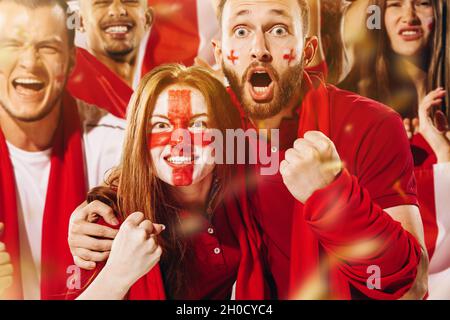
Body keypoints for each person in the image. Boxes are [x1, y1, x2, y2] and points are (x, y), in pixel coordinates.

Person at [69, 0, 427, 300]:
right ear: (221, 54)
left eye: (278, 29)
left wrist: (332, 196)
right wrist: (96, 213)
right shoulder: (212, 120)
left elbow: (413, 286)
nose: (258, 48)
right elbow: (151, 167)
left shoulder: (370, 124)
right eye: (241, 31)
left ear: (307, 50)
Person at [66, 64, 270, 300]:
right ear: (139, 138)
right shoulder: (108, 222)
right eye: (161, 125)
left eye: (198, 124)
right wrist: (117, 274)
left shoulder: (240, 189)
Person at [0, 0, 125, 300]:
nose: (30, 62)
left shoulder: (116, 146)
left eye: (48, 47)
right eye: (12, 44)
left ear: (71, 61)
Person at [339, 0, 450, 298]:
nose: (409, 16)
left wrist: (445, 155)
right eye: (395, 5)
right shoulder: (350, 111)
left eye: (423, 4)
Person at [67, 0, 220, 119]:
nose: (118, 10)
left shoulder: (163, 106)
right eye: (102, 2)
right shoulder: (63, 90)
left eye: (129, 1)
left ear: (147, 19)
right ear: (80, 21)